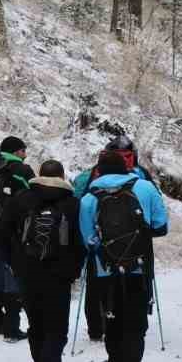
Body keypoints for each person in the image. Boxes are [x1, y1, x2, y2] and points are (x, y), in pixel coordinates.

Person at [78, 152, 169, 362]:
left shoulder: (88, 199)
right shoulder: (145, 187)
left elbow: (88, 241)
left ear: (99, 172)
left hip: (105, 272)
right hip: (138, 269)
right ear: (127, 168)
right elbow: (161, 226)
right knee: (136, 325)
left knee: (114, 326)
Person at [0, 159, 86, 362]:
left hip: (27, 271)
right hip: (59, 275)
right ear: (62, 177)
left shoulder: (22, 199)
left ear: (39, 175)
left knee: (36, 324)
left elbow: (3, 233)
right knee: (57, 326)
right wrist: (75, 269)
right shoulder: (73, 204)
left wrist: (14, 263)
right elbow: (81, 240)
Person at [70, 137, 150, 343]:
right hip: (134, 243)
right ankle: (136, 322)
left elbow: (77, 203)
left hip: (99, 244)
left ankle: (96, 328)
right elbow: (155, 216)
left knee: (96, 283)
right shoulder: (141, 179)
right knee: (136, 278)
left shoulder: (87, 177)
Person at [0, 136, 34, 342]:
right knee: (13, 273)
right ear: (17, 151)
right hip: (12, 229)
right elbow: (35, 194)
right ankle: (12, 328)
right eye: (23, 150)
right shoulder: (21, 170)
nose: (25, 153)